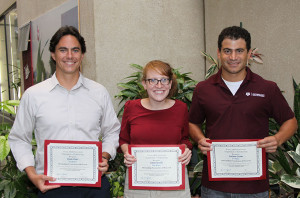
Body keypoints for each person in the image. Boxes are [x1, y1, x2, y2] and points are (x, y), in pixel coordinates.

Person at [8, 26, 120, 198]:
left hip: (94, 186)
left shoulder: (99, 92)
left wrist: (104, 156)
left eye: (75, 50)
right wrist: (32, 174)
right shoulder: (34, 95)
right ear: (53, 54)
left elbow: (112, 131)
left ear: (82, 55)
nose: (69, 56)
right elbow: (19, 138)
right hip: (52, 187)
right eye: (63, 50)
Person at [189, 26, 298, 198]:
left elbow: (291, 121)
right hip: (214, 186)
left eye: (239, 51)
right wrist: (200, 139)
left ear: (249, 54)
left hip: (254, 187)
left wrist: (278, 139)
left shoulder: (267, 88)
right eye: (227, 51)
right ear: (218, 53)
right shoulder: (203, 89)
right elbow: (192, 123)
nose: (233, 57)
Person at [119, 60, 193, 198]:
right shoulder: (131, 107)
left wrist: (186, 151)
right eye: (152, 80)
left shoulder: (181, 108)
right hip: (139, 182)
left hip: (173, 182)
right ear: (144, 84)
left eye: (164, 80)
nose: (159, 85)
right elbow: (123, 139)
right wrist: (127, 153)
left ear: (170, 84)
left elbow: (184, 139)